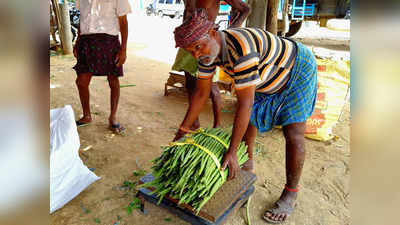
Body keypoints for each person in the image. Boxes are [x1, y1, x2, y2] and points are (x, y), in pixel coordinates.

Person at [172, 12, 317, 224]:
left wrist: (231, 151)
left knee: (293, 132)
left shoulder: (241, 50)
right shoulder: (206, 53)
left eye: (198, 47)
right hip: (266, 73)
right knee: (250, 119)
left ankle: (290, 193)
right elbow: (202, 93)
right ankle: (247, 163)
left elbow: (245, 104)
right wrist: (182, 130)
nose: (196, 55)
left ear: (213, 34)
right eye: (190, 51)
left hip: (296, 68)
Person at [171, 0, 250, 130]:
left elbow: (245, 9)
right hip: (189, 43)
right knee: (190, 83)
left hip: (205, 44)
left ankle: (217, 124)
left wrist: (230, 31)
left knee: (210, 86)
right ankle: (193, 123)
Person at [73, 0, 131, 133]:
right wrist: (77, 42)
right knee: (81, 81)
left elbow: (123, 23)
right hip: (86, 43)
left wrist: (123, 50)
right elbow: (82, 21)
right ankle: (87, 116)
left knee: (113, 80)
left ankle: (113, 117)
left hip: (109, 42)